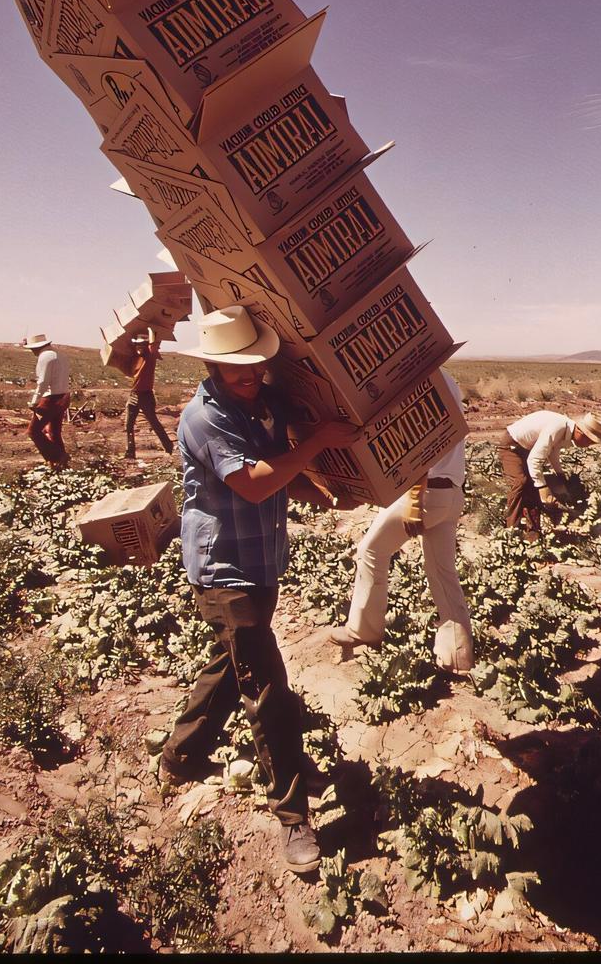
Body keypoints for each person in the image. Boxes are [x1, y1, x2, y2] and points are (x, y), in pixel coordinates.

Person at [158, 305, 360, 874]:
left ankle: (180, 755)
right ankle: (292, 816)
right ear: (212, 366)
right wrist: (319, 442)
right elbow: (251, 484)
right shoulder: (204, 419)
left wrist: (324, 494)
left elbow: (280, 469)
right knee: (267, 689)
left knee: (233, 664)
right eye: (236, 371)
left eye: (254, 368)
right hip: (224, 568)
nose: (249, 378)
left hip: (261, 559)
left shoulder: (264, 402)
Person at [329, 372, 474, 675]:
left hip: (426, 493)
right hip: (452, 492)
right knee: (442, 572)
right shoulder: (447, 380)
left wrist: (414, 499)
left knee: (371, 550)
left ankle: (363, 631)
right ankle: (457, 656)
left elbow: (419, 447)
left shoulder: (415, 384)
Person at [493, 410, 601, 537]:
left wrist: (560, 475)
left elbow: (553, 451)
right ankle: (511, 530)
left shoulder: (565, 429)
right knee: (521, 482)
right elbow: (534, 460)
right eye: (589, 440)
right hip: (511, 446)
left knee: (532, 487)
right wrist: (543, 488)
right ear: (580, 431)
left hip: (526, 448)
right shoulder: (558, 427)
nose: (589, 445)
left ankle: (532, 531)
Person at [121, 330, 173, 459]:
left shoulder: (150, 356)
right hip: (134, 395)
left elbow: (153, 344)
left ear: (146, 345)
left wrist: (150, 329)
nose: (139, 347)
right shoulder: (134, 358)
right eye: (137, 344)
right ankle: (130, 452)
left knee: (154, 423)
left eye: (141, 345)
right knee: (128, 424)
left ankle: (168, 447)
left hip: (146, 396)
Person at [22, 333, 71, 469]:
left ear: (36, 347)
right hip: (64, 396)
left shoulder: (45, 357)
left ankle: (58, 456)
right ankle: (60, 464)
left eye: (32, 349)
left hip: (50, 399)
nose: (32, 351)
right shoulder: (61, 355)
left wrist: (34, 401)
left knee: (34, 431)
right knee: (55, 432)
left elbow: (43, 382)